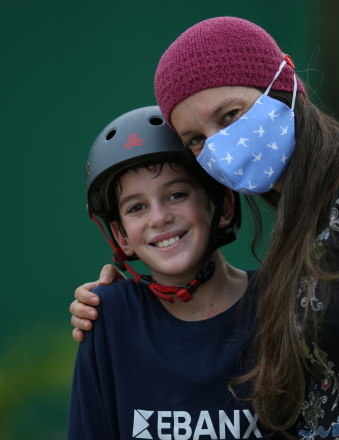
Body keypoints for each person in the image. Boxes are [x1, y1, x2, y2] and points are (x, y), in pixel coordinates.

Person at [70, 17, 339, 440]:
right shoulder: (300, 219)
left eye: (230, 114)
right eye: (196, 138)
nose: (218, 143)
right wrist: (117, 300)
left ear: (281, 85)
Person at [67, 106, 265, 439]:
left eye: (176, 195)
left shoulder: (281, 301)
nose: (159, 218)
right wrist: (114, 305)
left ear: (224, 206)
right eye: (136, 207)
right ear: (121, 237)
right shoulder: (108, 317)